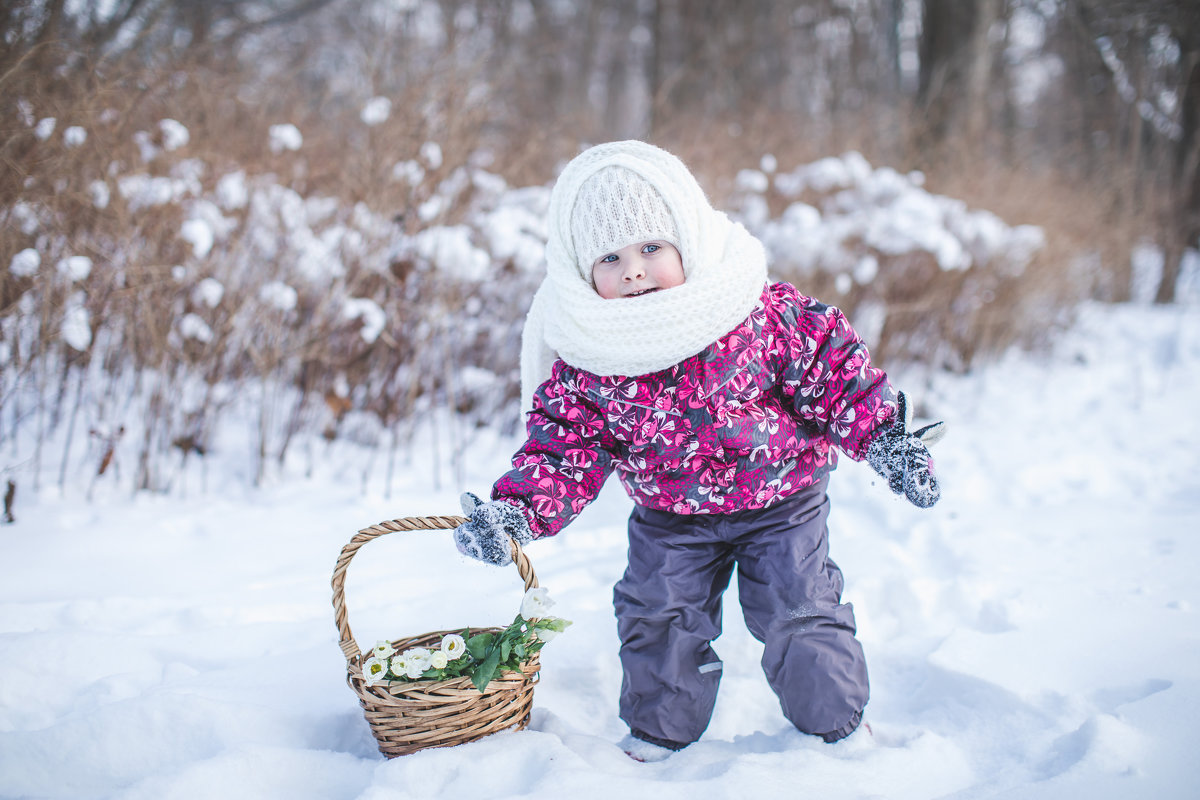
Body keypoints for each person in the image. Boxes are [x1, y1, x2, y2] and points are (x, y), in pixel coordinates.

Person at [452, 140, 945, 762]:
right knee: (657, 612)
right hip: (670, 515)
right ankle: (660, 730)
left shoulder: (753, 313)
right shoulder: (593, 354)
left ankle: (836, 725)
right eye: (610, 257)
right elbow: (563, 448)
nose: (634, 269)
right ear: (583, 272)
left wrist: (886, 439)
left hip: (781, 501)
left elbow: (834, 374)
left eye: (652, 248)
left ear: (688, 239)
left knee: (798, 608)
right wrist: (516, 513)